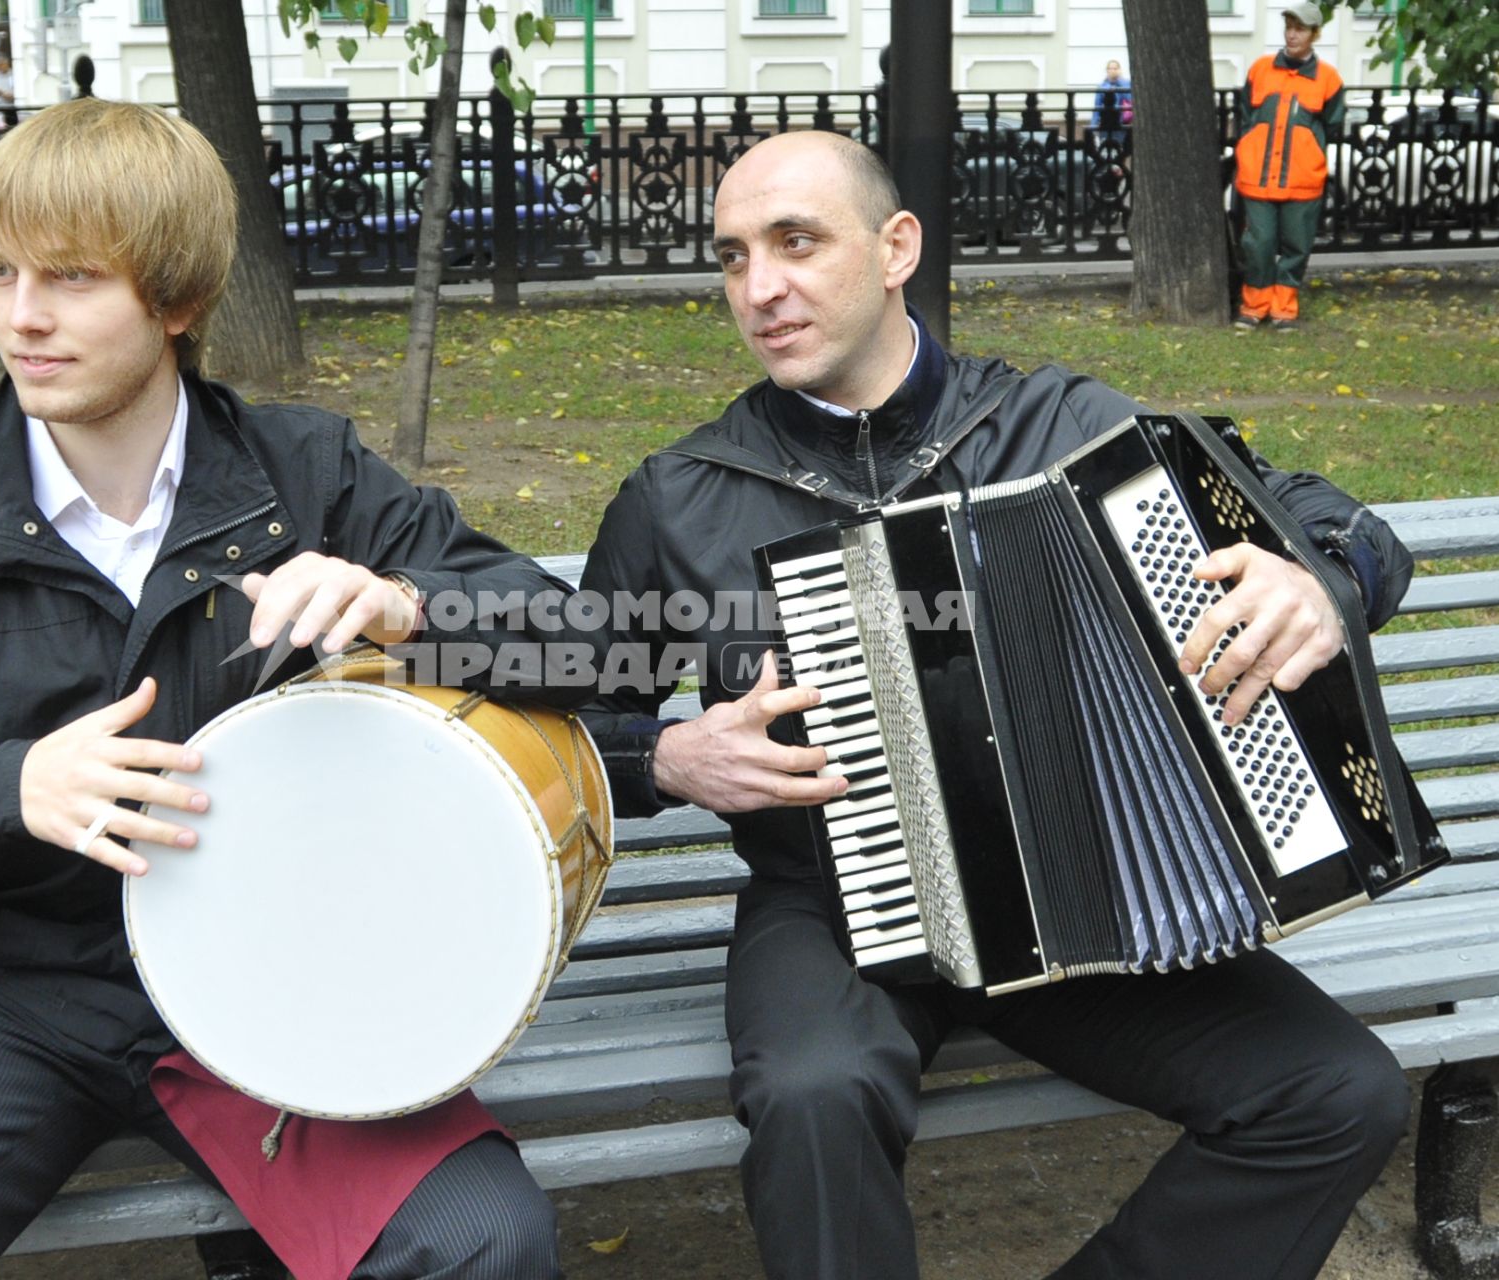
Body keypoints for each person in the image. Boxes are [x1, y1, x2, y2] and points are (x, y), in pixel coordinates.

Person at [0, 97, 574, 1280]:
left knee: (483, 1239)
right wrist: (7, 789)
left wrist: (409, 604)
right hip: (11, 996)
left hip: (290, 981)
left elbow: (588, 642)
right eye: (1, 272)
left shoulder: (310, 474)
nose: (22, 316)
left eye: (72, 277)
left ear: (176, 302)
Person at [577, 128, 1415, 1280]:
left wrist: (1318, 580)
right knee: (815, 1091)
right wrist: (669, 754)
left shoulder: (1057, 425)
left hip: (1077, 890)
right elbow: (570, 719)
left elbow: (1346, 524)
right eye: (731, 258)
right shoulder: (681, 497)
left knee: (1339, 1090)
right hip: (832, 909)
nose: (758, 288)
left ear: (894, 249)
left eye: (795, 242)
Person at [1234, 1, 1344, 330]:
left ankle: (1284, 309)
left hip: (1303, 179)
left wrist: (1310, 150)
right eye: (1289, 27)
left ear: (1315, 34)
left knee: (1297, 246)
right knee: (1259, 243)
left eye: (1300, 29)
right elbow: (1246, 116)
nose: (1292, 35)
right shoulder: (1260, 69)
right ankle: (1254, 307)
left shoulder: (1328, 78)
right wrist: (1248, 145)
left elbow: (1332, 124)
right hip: (1258, 176)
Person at [1089, 58, 1132, 143]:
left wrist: (1119, 82)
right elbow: (1097, 106)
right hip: (1107, 120)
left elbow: (1130, 98)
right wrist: (1093, 125)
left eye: (1115, 68)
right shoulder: (1102, 86)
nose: (1113, 71)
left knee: (1124, 147)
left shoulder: (1126, 83)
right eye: (1110, 68)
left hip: (1124, 121)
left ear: (1119, 70)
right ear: (1107, 70)